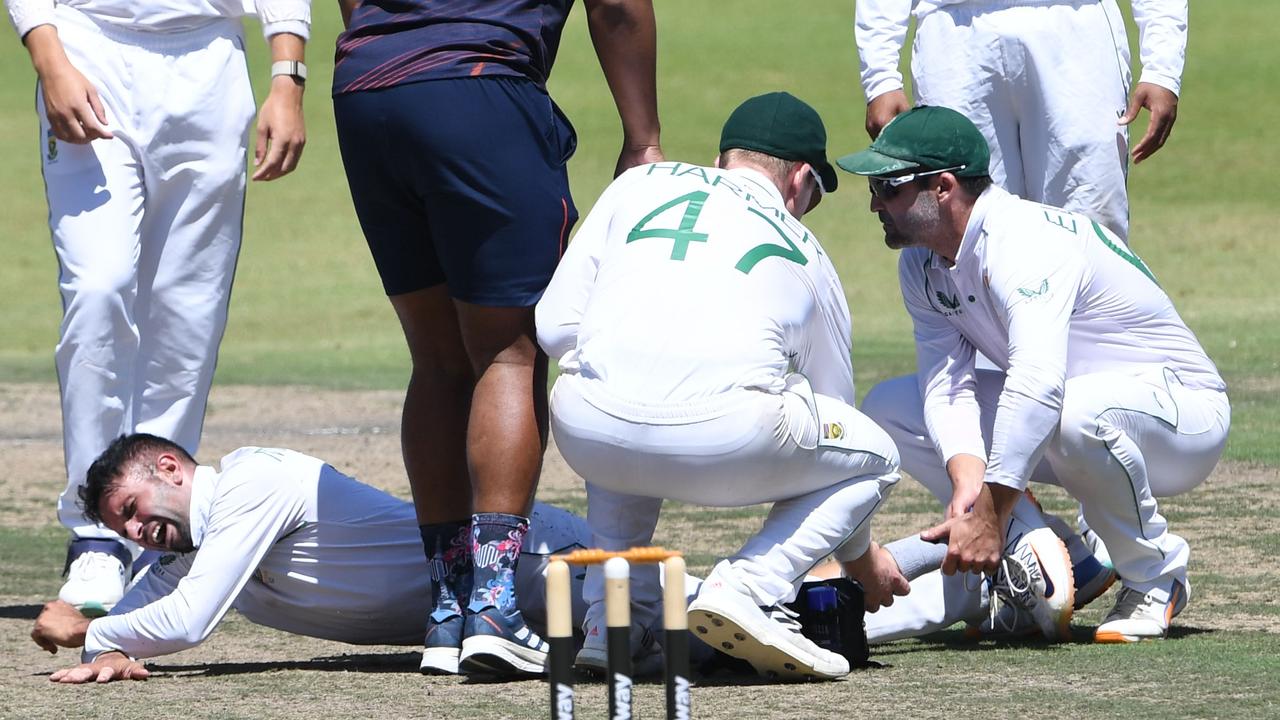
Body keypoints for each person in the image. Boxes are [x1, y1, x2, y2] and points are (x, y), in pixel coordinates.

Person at [329, 0, 662, 677]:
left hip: (368, 90)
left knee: (437, 356)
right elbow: (618, 8)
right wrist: (641, 138)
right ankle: (494, 607)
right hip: (480, 87)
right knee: (509, 350)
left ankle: (447, 612)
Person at [538, 91, 911, 681]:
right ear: (802, 181)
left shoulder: (640, 184)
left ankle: (614, 620)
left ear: (722, 161)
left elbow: (553, 328)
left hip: (586, 430)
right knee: (878, 458)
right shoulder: (806, 248)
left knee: (613, 383)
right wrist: (857, 558)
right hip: (729, 446)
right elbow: (835, 413)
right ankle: (748, 588)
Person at [838, 105, 1230, 642]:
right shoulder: (921, 263)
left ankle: (1156, 576)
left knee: (1069, 413)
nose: (874, 203)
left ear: (944, 187)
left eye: (889, 186)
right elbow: (947, 385)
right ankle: (1060, 555)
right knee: (890, 408)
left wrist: (990, 511)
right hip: (1076, 412)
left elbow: (1039, 381)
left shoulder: (1024, 241)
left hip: (1183, 416)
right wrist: (968, 487)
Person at [5, 0, 311, 615]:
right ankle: (95, 532)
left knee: (187, 311)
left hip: (207, 59)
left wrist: (288, 75)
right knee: (98, 287)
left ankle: (155, 535)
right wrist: (49, 56)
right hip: (89, 46)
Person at [29, 433, 596, 684]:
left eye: (131, 507)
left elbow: (187, 622)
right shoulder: (188, 550)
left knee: (669, 622)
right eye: (120, 528)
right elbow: (138, 622)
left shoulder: (251, 483)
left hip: (537, 559)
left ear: (171, 469)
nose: (135, 531)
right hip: (503, 617)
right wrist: (110, 646)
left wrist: (89, 634)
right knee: (646, 654)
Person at [855, 0, 1187, 241]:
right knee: (960, 222)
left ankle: (1090, 338)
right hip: (954, 35)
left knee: (1089, 221)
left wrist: (1162, 65)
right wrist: (880, 75)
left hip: (1076, 24)